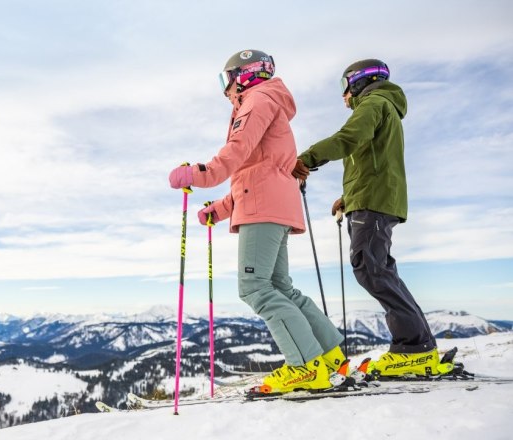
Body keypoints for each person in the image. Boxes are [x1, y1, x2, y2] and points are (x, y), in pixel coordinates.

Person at [169, 49, 348, 394]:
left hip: (263, 209)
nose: (226, 90)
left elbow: (236, 152)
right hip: (272, 204)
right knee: (281, 287)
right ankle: (330, 358)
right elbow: (257, 171)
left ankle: (306, 367)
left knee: (255, 288)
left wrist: (198, 173)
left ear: (246, 74)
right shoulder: (270, 102)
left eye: (227, 79)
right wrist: (219, 210)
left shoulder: (257, 100)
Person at [292, 59, 453, 378]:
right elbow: (372, 160)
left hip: (374, 200)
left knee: (370, 268)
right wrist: (349, 198)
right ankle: (419, 345)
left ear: (359, 82)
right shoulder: (383, 105)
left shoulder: (373, 103)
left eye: (344, 87)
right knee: (378, 269)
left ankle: (413, 347)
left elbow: (347, 139)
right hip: (372, 197)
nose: (343, 96)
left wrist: (305, 158)